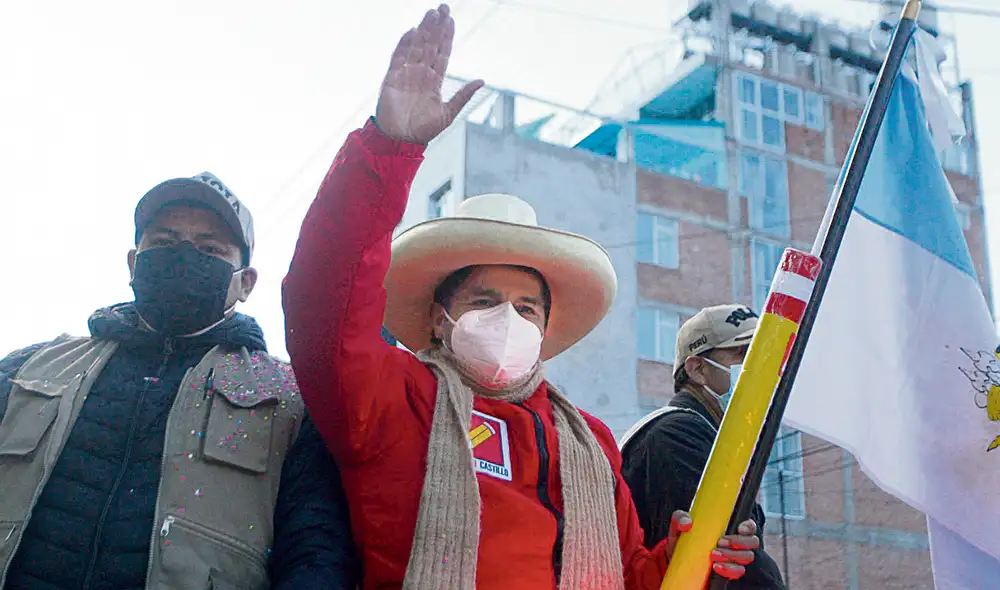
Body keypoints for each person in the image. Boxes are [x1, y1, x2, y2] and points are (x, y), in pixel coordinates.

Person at [282, 5, 761, 589]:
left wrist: (690, 557)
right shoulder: (391, 397)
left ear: (545, 331)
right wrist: (388, 148)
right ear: (440, 318)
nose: (507, 317)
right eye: (485, 301)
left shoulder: (589, 440)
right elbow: (321, 303)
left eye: (526, 307)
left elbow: (632, 574)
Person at [0, 172, 358, 589]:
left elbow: (316, 552)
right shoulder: (29, 368)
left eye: (209, 249)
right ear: (134, 263)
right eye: (164, 243)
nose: (184, 256)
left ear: (245, 282)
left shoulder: (291, 400)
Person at [619, 304, 787, 589]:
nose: (763, 370)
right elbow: (723, 559)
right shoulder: (678, 435)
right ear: (698, 369)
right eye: (745, 356)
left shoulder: (706, 435)